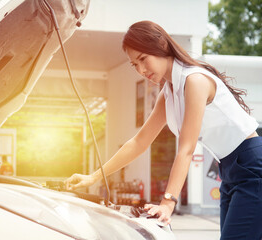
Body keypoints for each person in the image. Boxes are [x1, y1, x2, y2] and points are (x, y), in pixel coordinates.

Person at [65, 20, 262, 239]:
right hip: (231, 169)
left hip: (253, 165)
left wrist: (168, 203)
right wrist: (93, 177)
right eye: (134, 65)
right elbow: (139, 142)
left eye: (143, 59)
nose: (140, 70)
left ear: (161, 45)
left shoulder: (194, 81)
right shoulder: (168, 93)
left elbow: (186, 149)